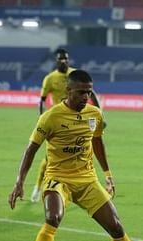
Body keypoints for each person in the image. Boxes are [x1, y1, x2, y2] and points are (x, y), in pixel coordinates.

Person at [8, 70, 143, 241]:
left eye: (88, 92)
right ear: (68, 91)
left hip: (87, 181)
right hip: (58, 179)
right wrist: (19, 182)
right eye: (80, 92)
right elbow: (31, 150)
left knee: (116, 227)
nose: (85, 96)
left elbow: (97, 143)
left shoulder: (94, 114)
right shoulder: (50, 116)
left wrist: (108, 175)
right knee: (52, 218)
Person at [30, 48, 101, 203]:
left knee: (82, 151)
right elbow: (42, 99)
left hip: (78, 120)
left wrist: (100, 113)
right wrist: (41, 116)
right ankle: (38, 187)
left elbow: (92, 93)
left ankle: (79, 188)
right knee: (49, 158)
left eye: (66, 58)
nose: (63, 61)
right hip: (57, 123)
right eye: (60, 59)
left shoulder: (75, 75)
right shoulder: (50, 79)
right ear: (56, 61)